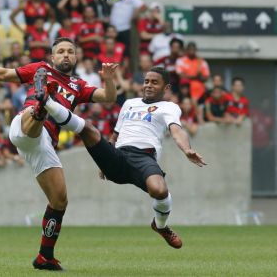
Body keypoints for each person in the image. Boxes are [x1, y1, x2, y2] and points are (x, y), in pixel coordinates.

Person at [0, 37, 118, 271]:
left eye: (70, 52)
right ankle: (42, 106)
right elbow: (4, 74)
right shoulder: (40, 68)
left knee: (59, 200)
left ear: (75, 57)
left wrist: (109, 79)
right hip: (24, 124)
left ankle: (45, 257)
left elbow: (109, 97)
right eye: (60, 51)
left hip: (43, 145)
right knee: (35, 115)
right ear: (53, 57)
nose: (65, 55)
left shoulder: (78, 85)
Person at [75, 67, 206, 249]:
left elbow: (176, 130)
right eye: (146, 81)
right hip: (119, 156)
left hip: (143, 157)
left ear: (165, 87)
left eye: (154, 82)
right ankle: (49, 104)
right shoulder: (129, 103)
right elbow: (115, 135)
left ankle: (160, 226)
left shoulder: (169, 107)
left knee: (159, 191)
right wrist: (102, 160)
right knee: (87, 128)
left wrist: (186, 149)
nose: (149, 85)